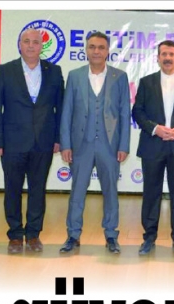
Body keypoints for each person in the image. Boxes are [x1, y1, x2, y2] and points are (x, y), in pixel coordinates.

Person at [0, 28, 64, 254]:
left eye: (35, 42)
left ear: (42, 46)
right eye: (26, 41)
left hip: (43, 142)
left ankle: (33, 234)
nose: (31, 45)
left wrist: (59, 138)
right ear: (20, 45)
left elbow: (61, 108)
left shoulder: (54, 71)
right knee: (12, 190)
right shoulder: (5, 70)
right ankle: (14, 234)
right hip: (12, 142)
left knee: (37, 190)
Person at [59, 32, 130, 254]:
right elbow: (67, 112)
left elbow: (124, 113)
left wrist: (124, 145)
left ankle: (111, 234)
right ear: (86, 50)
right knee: (77, 192)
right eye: (92, 47)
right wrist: (65, 144)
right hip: (81, 144)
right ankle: (73, 235)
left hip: (110, 145)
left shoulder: (120, 77)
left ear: (108, 51)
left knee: (110, 192)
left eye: (101, 47)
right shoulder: (75, 76)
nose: (96, 51)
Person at [132, 40, 174, 256]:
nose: (168, 58)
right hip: (152, 145)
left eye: (172, 54)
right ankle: (149, 237)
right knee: (151, 193)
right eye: (164, 54)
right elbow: (138, 112)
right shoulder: (146, 82)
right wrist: (155, 129)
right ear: (158, 58)